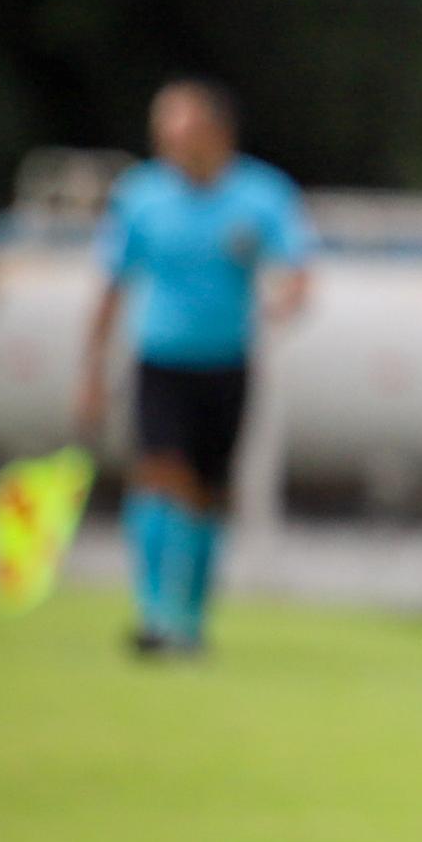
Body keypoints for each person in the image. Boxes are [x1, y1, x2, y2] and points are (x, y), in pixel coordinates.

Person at [75, 80, 311, 658]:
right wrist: (92, 371)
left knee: (209, 492)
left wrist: (285, 300)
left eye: (179, 126)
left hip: (228, 363)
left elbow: (297, 269)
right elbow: (112, 285)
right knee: (163, 474)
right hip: (161, 360)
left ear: (215, 131)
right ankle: (156, 614)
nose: (168, 139)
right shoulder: (141, 196)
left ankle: (192, 620)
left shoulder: (261, 194)